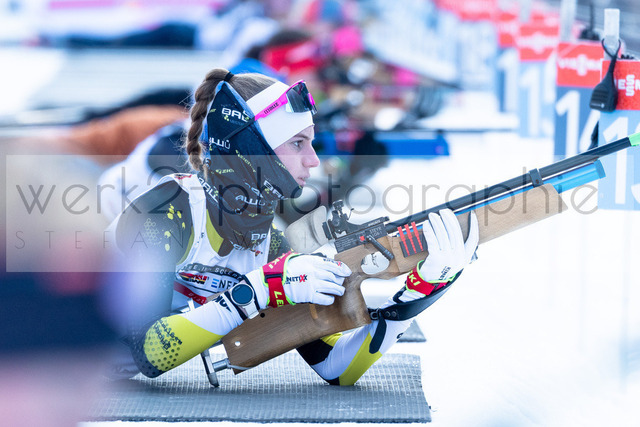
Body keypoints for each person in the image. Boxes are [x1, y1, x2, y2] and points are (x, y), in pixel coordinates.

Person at [108, 68, 479, 385]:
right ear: (251, 147)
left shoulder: (269, 246)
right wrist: (259, 290)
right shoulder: (166, 211)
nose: (314, 160)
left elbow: (336, 367)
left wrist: (416, 294)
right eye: (298, 143)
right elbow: (148, 352)